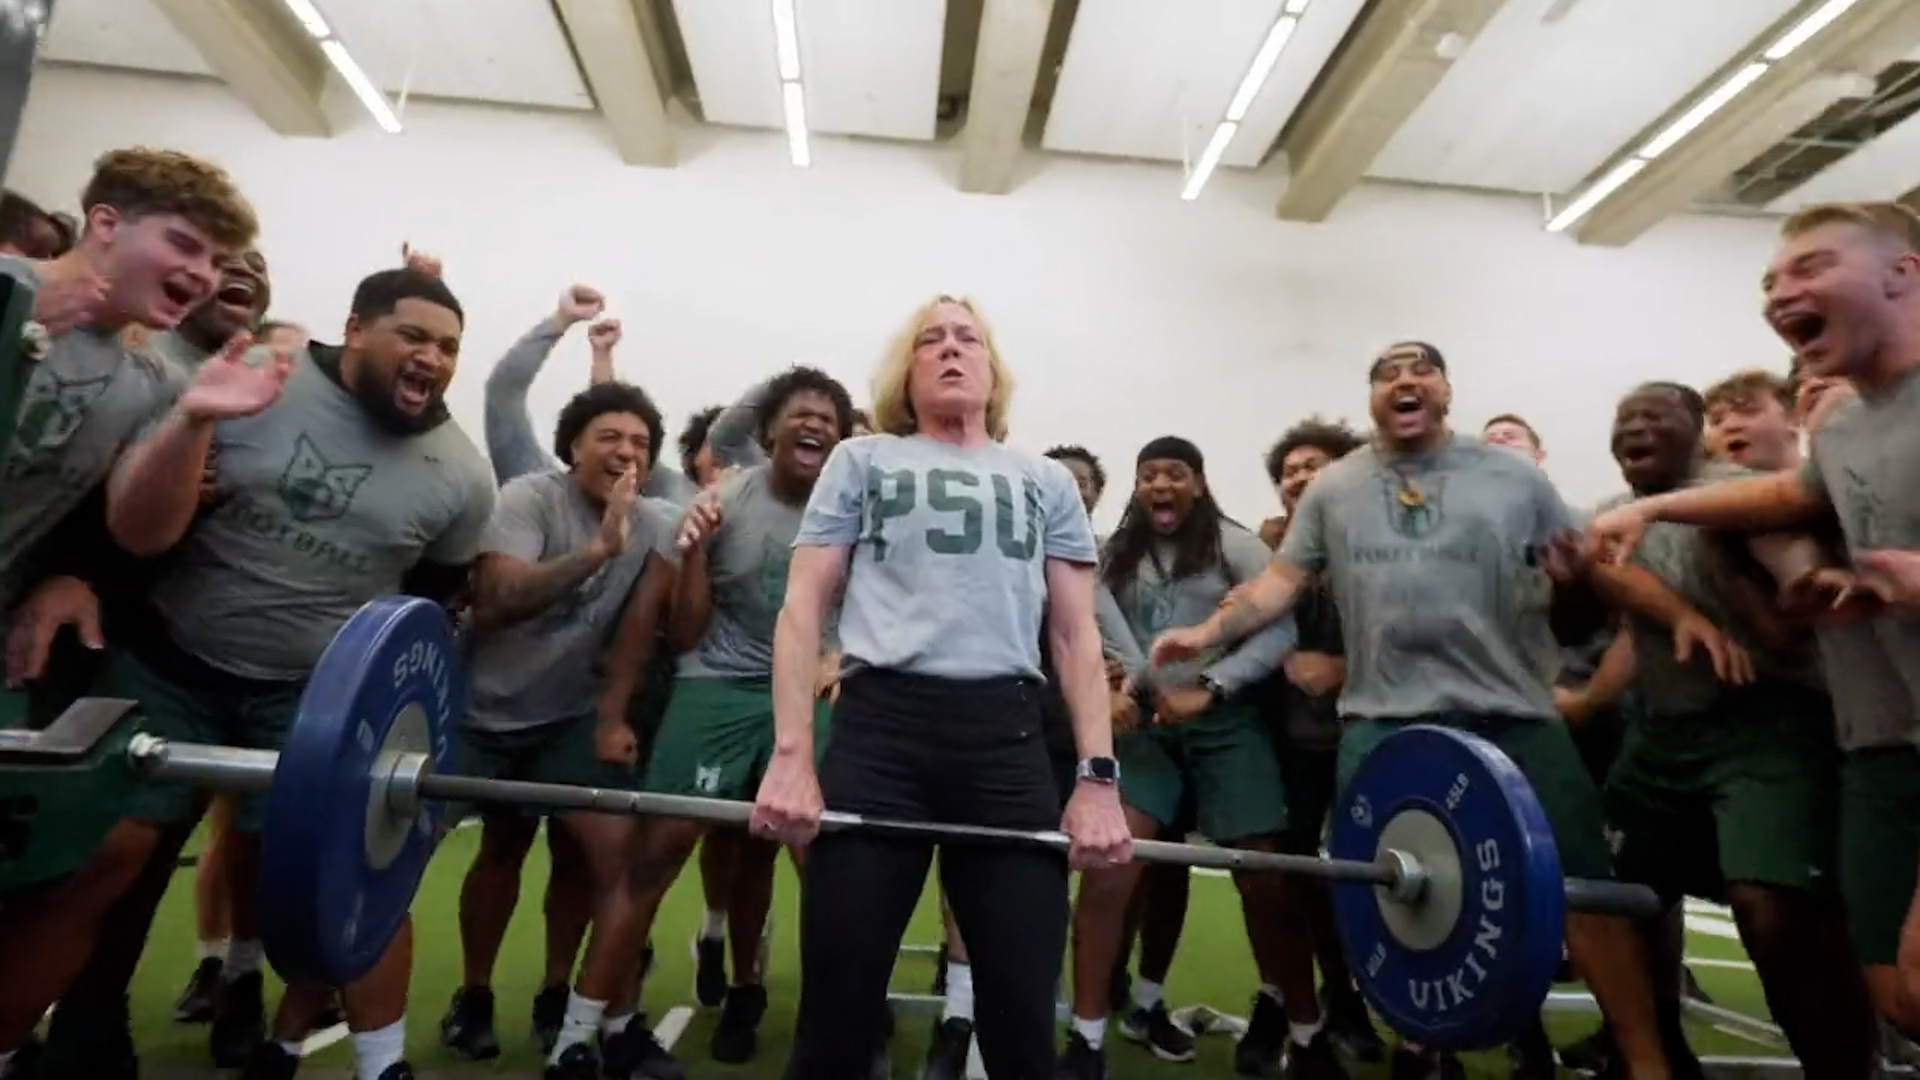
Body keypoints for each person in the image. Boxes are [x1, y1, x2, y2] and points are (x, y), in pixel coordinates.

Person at [1154, 340, 1701, 1080]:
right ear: (1372, 398)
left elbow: (1595, 564)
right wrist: (1206, 634)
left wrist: (1669, 610)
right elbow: (1276, 585)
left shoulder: (1512, 477)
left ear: (1446, 389)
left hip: (1513, 715)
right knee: (1392, 892)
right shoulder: (1336, 487)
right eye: (1388, 374)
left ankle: (1646, 1062)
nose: (1405, 382)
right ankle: (1424, 1051)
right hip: (1385, 722)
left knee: (1586, 890)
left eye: (1421, 371)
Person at [103, 266, 492, 1080]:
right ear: (353, 330)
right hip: (170, 659)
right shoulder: (260, 376)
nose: (432, 357)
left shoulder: (461, 474)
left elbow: (420, 608)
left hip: (313, 696)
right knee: (120, 854)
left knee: (346, 867)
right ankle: (87, 1024)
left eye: (449, 347)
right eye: (412, 335)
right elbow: (135, 503)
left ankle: (360, 1054)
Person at [749, 295, 1132, 1080]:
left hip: (1007, 743)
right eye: (932, 340)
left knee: (1023, 1026)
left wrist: (1097, 779)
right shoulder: (862, 461)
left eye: (968, 338)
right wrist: (792, 757)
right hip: (880, 738)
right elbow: (802, 609)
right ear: (907, 371)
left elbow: (1075, 636)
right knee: (835, 1024)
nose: (951, 349)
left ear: (993, 368)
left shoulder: (1045, 480)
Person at [1587, 200, 1920, 1037]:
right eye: (1771, 281)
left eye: (1811, 268)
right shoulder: (1846, 426)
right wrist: (1651, 510)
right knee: (1898, 997)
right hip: (1880, 744)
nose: (1780, 293)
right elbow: (1788, 497)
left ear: (1902, 274)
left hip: (1818, 732)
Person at [0, 146, 258, 1080]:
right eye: (184, 244)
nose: (202, 273)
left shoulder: (154, 378)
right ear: (105, 223)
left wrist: (196, 419)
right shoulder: (9, 289)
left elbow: (139, 532)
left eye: (216, 261)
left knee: (55, 876)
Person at [1600, 379, 1876, 1075]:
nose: (1635, 427)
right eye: (1624, 418)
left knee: (1773, 908)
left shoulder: (1741, 493)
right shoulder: (1609, 516)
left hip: (1768, 724)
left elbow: (1790, 575)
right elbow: (1592, 594)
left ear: (1695, 430)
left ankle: (1843, 1066)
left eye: (1654, 414)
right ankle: (1656, 1054)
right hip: (1663, 735)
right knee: (1620, 891)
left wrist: (1800, 582)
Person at [1063, 435, 1337, 1080]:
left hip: (1225, 724)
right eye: (1149, 475)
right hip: (1145, 728)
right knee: (1112, 869)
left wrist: (1212, 687)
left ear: (1199, 482)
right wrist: (1123, 685)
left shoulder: (1236, 545)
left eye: (1175, 474)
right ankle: (1086, 1038)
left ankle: (1308, 1037)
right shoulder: (1114, 553)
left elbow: (1281, 630)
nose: (1161, 486)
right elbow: (1092, 629)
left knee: (1265, 877)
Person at [605, 365, 855, 1067]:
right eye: (798, 413)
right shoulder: (723, 498)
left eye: (829, 418)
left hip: (807, 689)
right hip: (717, 680)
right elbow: (684, 632)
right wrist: (695, 554)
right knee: (663, 844)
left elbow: (880, 604)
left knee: (813, 854)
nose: (814, 423)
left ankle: (829, 1013)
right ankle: (607, 1021)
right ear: (766, 432)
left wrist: (843, 653)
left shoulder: (857, 505)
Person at [442, 379, 687, 1080]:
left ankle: (597, 1013)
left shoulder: (656, 520)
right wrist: (597, 551)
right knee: (501, 848)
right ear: (572, 446)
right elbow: (496, 599)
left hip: (570, 718)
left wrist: (610, 717)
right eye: (609, 436)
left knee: (609, 858)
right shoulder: (528, 499)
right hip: (479, 712)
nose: (626, 451)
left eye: (640, 442)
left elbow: (639, 630)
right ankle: (474, 996)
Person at [1245, 417, 1384, 1073]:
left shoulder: (1384, 542)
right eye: (1289, 470)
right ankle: (1285, 999)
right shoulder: (1266, 551)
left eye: (1314, 465)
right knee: (1289, 875)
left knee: (1369, 876)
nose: (1299, 478)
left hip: (1371, 735)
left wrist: (1343, 668)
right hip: (1288, 742)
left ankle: (1356, 999)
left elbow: (1423, 637)